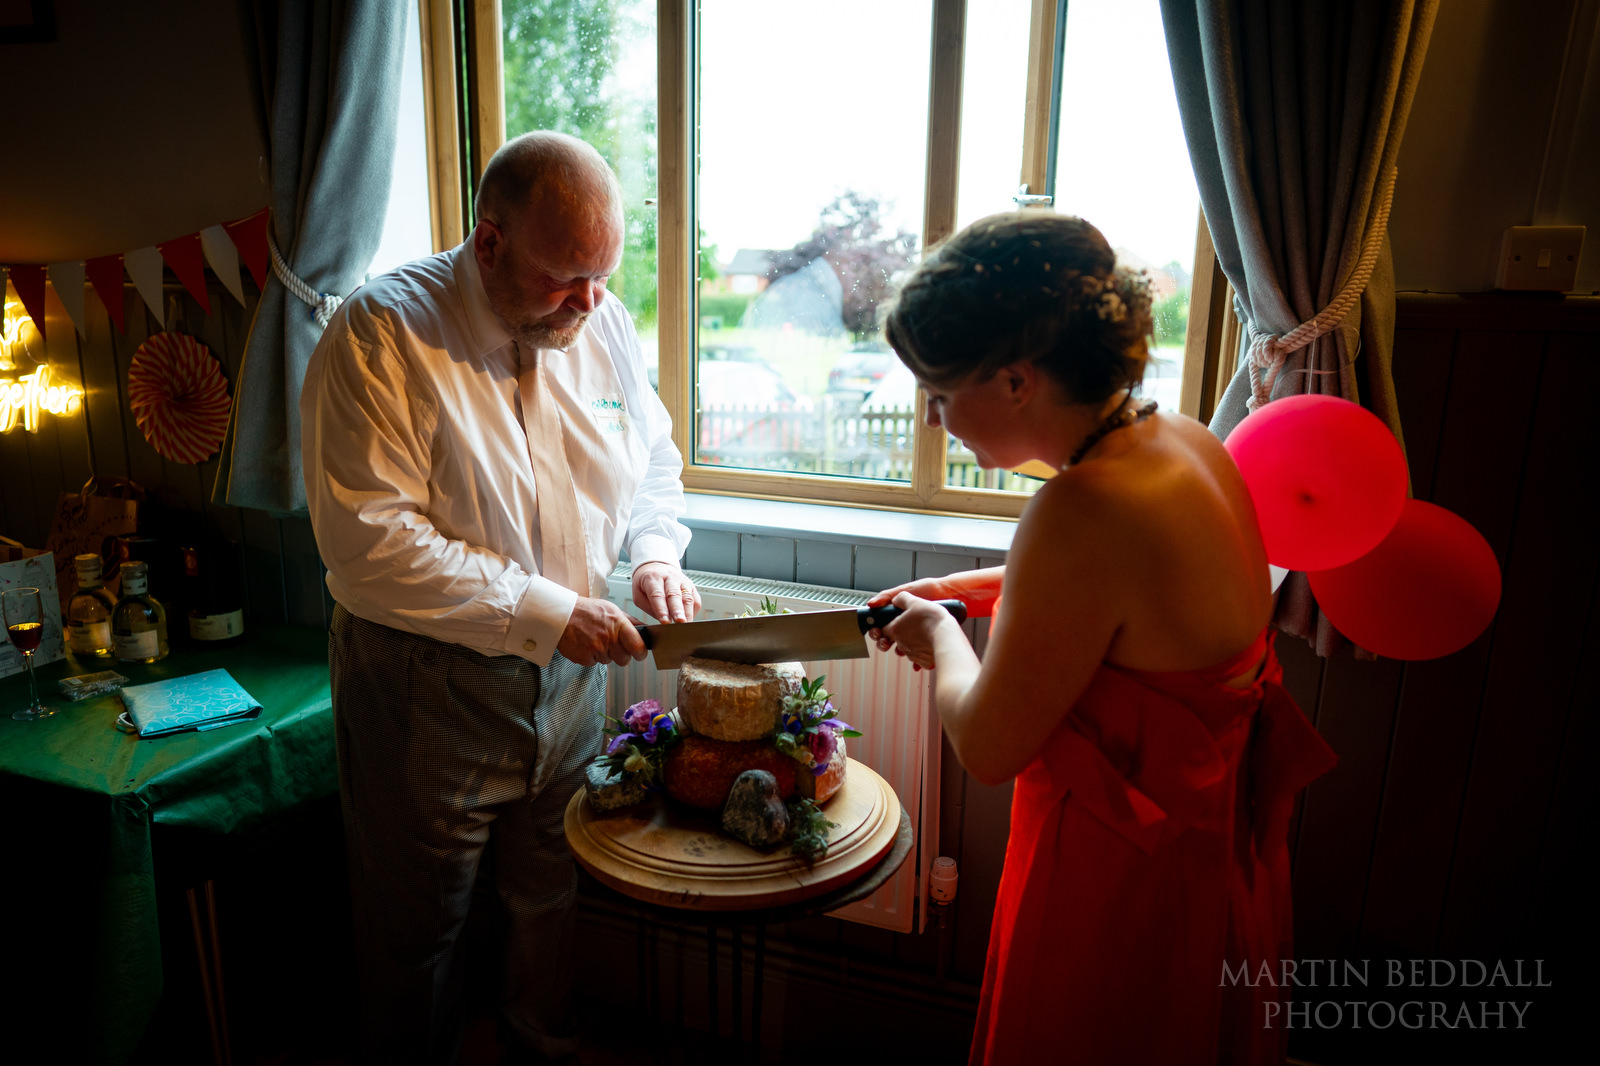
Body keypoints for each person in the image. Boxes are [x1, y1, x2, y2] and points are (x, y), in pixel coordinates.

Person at [867, 213, 1338, 1066]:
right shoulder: (1186, 441)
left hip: (1122, 869)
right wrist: (960, 593)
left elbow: (986, 744)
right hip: (1214, 845)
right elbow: (1126, 600)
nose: (934, 420)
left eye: (939, 392)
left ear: (1016, 381)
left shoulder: (1077, 511)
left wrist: (941, 635)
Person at [300, 131, 700, 1065]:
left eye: (602, 275)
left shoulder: (600, 321)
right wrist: (555, 612)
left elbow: (650, 461)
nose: (591, 304)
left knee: (550, 893)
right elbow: (371, 544)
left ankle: (540, 1048)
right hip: (422, 684)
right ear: (489, 243)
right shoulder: (380, 333)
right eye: (567, 277)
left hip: (567, 681)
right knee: (417, 927)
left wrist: (650, 553)